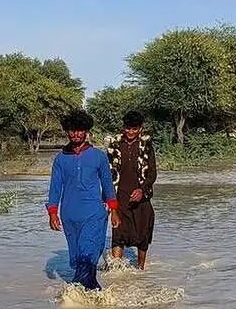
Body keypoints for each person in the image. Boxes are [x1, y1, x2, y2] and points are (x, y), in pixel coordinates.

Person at [47, 109, 119, 291]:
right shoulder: (60, 159)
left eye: (79, 130)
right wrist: (52, 213)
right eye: (72, 130)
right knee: (78, 255)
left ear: (86, 132)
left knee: (88, 252)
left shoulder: (99, 156)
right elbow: (55, 187)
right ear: (66, 131)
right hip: (69, 214)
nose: (75, 134)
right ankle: (90, 295)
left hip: (94, 213)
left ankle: (81, 294)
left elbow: (107, 184)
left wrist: (114, 211)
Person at [106, 110, 158, 270]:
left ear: (140, 129)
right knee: (118, 235)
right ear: (123, 128)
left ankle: (141, 269)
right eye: (128, 128)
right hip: (119, 197)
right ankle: (115, 273)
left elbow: (152, 173)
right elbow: (107, 173)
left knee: (143, 235)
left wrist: (142, 190)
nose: (130, 132)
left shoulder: (146, 146)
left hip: (141, 199)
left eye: (134, 129)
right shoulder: (114, 146)